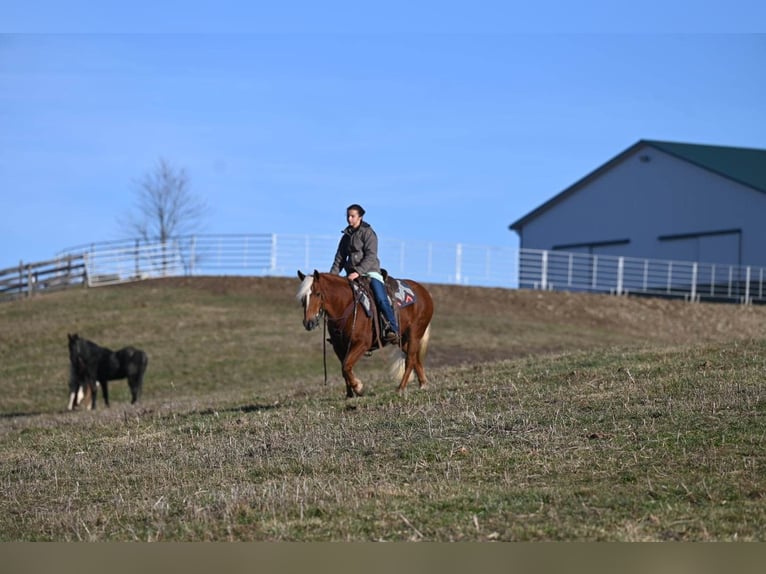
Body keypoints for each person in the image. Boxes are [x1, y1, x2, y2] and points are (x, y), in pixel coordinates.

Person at [330, 203, 399, 343]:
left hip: (370, 273)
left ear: (360, 217)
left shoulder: (368, 233)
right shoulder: (346, 237)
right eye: (348, 216)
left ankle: (392, 328)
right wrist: (332, 277)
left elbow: (371, 256)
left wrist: (358, 272)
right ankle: (341, 331)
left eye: (352, 216)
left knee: (381, 298)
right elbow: (340, 258)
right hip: (351, 275)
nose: (349, 219)